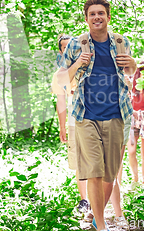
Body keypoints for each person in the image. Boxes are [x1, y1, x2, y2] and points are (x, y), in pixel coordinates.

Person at [59, 0, 136, 231]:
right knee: (93, 171)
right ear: (86, 18)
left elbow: (130, 74)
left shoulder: (121, 42)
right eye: (92, 14)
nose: (96, 17)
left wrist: (132, 63)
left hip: (116, 114)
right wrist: (77, 64)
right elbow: (61, 81)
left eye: (100, 13)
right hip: (86, 115)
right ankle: (101, 226)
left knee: (109, 175)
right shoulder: (76, 45)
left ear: (108, 17)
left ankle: (96, 213)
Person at [51, 34, 89, 213]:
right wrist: (62, 126)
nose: (67, 50)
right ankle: (84, 200)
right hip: (75, 121)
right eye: (64, 47)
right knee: (79, 161)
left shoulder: (89, 67)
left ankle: (105, 197)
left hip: (95, 118)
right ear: (60, 51)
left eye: (70, 46)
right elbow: (61, 102)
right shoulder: (59, 75)